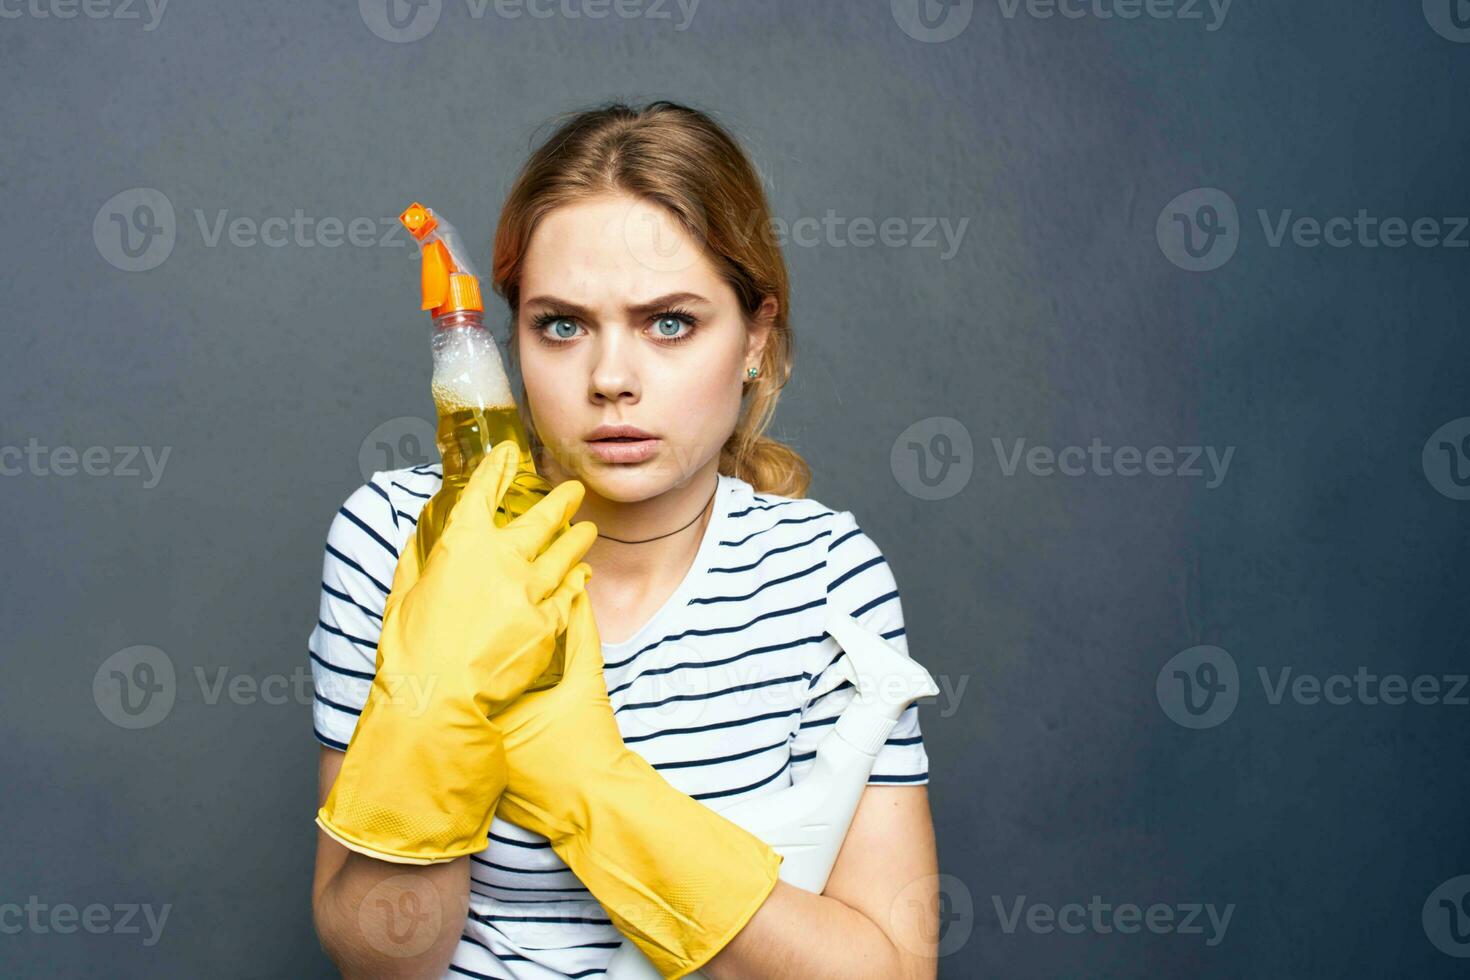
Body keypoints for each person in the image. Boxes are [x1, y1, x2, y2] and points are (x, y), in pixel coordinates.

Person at [309, 100, 938, 979]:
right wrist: (437, 708)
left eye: (669, 322)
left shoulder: (821, 574)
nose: (611, 379)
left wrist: (589, 785)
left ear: (755, 338)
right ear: (513, 338)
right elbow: (383, 964)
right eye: (561, 325)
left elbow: (888, 972)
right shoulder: (396, 540)